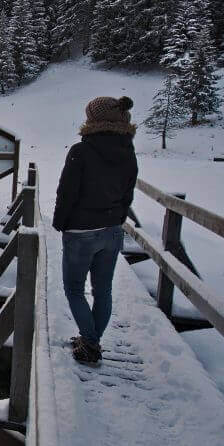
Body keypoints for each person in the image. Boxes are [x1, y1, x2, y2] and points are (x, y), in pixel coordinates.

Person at [52, 96, 138, 364]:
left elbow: (66, 192)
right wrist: (117, 218)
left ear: (94, 119)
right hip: (112, 231)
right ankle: (91, 341)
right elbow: (128, 192)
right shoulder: (128, 150)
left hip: (80, 231)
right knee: (103, 290)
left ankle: (89, 342)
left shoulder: (81, 151)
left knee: (74, 289)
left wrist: (60, 222)